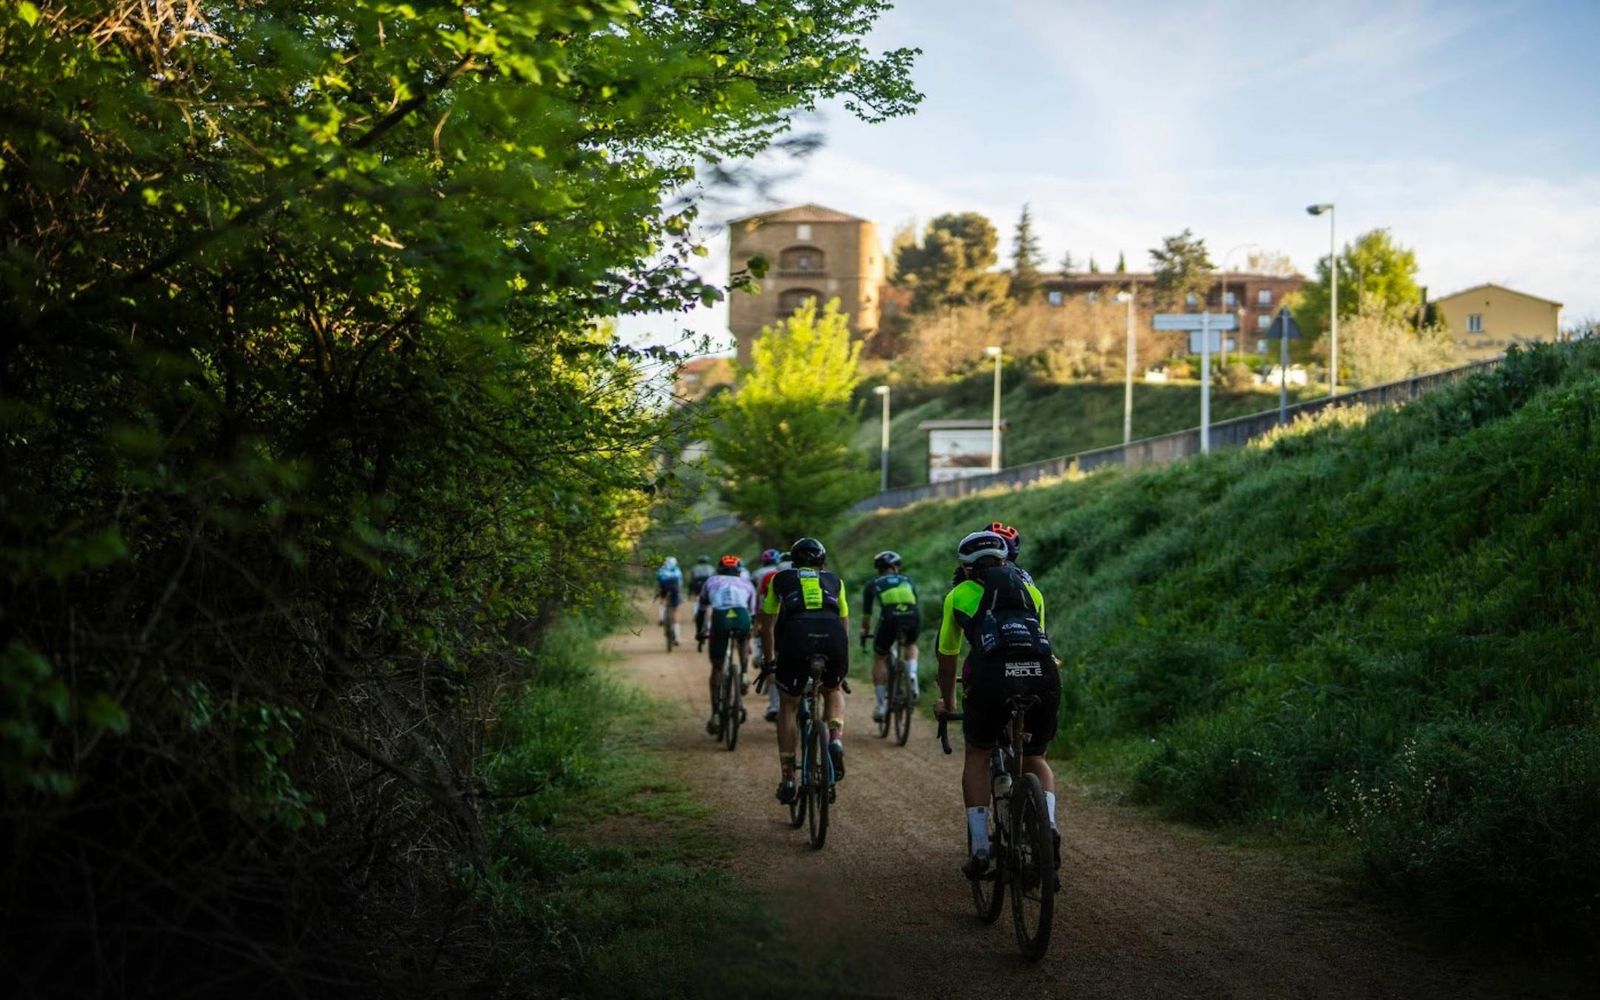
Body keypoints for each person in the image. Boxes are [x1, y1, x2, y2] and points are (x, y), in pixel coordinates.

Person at [932, 530, 1061, 880]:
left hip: (990, 677)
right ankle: (1047, 827)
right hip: (1042, 673)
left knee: (978, 753)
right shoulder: (1030, 590)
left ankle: (979, 849)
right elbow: (1041, 639)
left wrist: (947, 700)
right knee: (1035, 758)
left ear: (966, 567)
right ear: (1005, 560)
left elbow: (948, 657)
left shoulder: (958, 595)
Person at [757, 537, 850, 804]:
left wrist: (768, 660)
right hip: (833, 638)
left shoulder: (779, 578)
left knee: (788, 704)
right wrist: (841, 660)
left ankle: (788, 777)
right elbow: (844, 623)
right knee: (832, 689)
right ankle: (834, 738)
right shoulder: (835, 581)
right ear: (822, 562)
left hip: (797, 636)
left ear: (793, 561)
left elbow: (767, 624)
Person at [698, 555, 758, 735]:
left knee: (717, 667)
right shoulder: (747, 584)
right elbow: (752, 612)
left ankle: (716, 714)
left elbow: (702, 608)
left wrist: (701, 632)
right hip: (741, 616)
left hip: (720, 617)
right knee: (742, 638)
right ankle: (745, 674)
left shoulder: (711, 581)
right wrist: (749, 634)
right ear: (739, 570)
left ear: (719, 569)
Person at [859, 550, 921, 722]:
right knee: (911, 644)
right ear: (895, 567)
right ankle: (912, 674)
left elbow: (867, 616)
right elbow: (914, 601)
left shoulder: (872, 584)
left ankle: (881, 705)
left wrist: (864, 632)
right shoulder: (907, 579)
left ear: (879, 569)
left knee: (880, 657)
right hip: (912, 615)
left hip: (890, 618)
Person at [753, 550, 791, 723]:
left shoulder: (770, 577)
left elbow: (761, 604)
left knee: (774, 662)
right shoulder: (818, 577)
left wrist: (757, 624)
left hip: (777, 621)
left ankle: (775, 705)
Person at [688, 555, 715, 649]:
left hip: (698, 585)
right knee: (709, 606)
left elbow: (691, 581)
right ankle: (710, 625)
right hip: (709, 585)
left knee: (698, 598)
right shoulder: (711, 568)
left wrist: (689, 592)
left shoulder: (695, 568)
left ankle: (697, 612)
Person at [656, 556, 684, 645]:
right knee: (675, 611)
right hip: (675, 588)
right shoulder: (677, 570)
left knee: (662, 600)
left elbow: (658, 582)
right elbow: (680, 583)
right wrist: (679, 593)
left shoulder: (662, 569)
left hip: (664, 587)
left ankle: (661, 618)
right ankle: (677, 638)